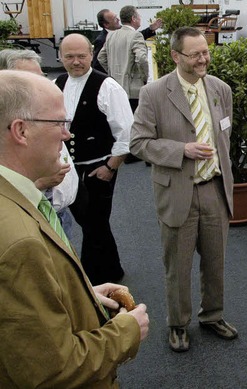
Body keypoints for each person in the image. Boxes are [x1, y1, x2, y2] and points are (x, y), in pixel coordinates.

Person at [0, 69, 149, 388]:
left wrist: (78, 295)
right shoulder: (18, 242)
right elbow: (49, 371)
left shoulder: (13, 200)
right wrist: (127, 331)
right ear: (21, 131)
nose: (67, 135)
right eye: (58, 123)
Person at [130, 27, 237, 352]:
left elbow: (225, 133)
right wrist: (181, 151)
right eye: (196, 54)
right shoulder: (154, 93)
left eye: (206, 52)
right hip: (178, 190)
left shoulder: (220, 89)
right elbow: (138, 143)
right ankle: (178, 324)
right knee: (178, 266)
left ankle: (212, 315)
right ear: (176, 56)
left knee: (215, 261)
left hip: (215, 189)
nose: (204, 59)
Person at [55, 33, 133, 284]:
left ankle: (92, 280)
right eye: (69, 56)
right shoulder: (58, 82)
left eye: (81, 56)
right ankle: (112, 270)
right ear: (60, 57)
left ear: (91, 55)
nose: (76, 61)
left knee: (94, 224)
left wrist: (111, 166)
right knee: (91, 224)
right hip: (68, 168)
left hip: (99, 167)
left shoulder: (107, 86)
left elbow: (127, 132)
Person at [3, 49, 78, 237]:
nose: (66, 134)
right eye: (29, 80)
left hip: (58, 212)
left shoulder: (40, 111)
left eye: (42, 77)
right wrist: (38, 185)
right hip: (34, 214)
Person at [98, 5, 149, 113]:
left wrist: (112, 71)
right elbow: (141, 59)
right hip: (133, 91)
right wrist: (144, 77)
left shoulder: (111, 35)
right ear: (133, 19)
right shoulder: (136, 35)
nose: (140, 18)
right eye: (138, 16)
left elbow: (101, 57)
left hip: (115, 87)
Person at [92, 8, 162, 74]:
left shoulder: (119, 30)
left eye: (116, 17)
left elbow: (133, 37)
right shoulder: (101, 40)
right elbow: (98, 64)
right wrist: (112, 74)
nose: (118, 20)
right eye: (114, 19)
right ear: (106, 25)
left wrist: (150, 29)